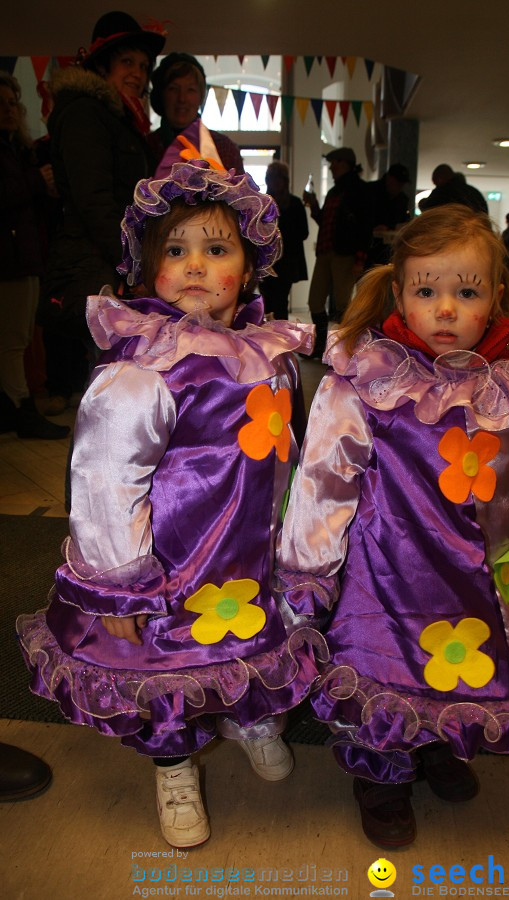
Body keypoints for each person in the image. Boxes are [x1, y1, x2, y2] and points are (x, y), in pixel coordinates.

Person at [17, 157, 325, 849]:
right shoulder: (144, 364)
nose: (194, 266)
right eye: (175, 251)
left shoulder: (269, 352)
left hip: (244, 556)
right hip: (166, 567)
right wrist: (119, 589)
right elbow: (103, 481)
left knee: (246, 642)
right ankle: (174, 764)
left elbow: (290, 456)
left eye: (216, 250)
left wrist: (294, 548)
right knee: (163, 672)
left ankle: (246, 718)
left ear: (248, 269)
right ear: (147, 270)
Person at [275, 204, 509, 848]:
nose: (446, 309)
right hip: (388, 576)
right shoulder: (368, 380)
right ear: (400, 294)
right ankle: (383, 775)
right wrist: (307, 571)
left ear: (496, 297)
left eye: (467, 292)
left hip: (479, 575)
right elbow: (324, 478)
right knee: (390, 673)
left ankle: (439, 740)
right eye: (427, 291)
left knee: (464, 665)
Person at [38, 11, 165, 414]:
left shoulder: (120, 119)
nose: (138, 74)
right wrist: (134, 266)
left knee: (114, 390)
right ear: (102, 64)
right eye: (127, 62)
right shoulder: (85, 114)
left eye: (143, 66)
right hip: (94, 269)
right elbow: (94, 202)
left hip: (108, 265)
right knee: (104, 394)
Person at [0, 71, 69, 440]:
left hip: (23, 258)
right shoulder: (14, 157)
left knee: (18, 338)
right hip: (10, 262)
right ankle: (20, 407)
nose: (8, 111)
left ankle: (13, 405)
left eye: (12, 104)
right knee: (13, 340)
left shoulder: (18, 150)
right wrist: (36, 182)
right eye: (0, 105)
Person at [303, 147, 373, 358]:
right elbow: (325, 221)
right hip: (326, 252)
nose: (331, 167)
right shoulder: (335, 191)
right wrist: (314, 206)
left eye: (334, 162)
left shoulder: (359, 190)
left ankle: (344, 348)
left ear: (345, 163)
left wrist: (360, 257)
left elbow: (365, 226)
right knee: (315, 300)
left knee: (343, 304)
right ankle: (322, 345)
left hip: (345, 253)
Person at [149, 53, 244, 178]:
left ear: (201, 97)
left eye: (191, 90)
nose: (182, 98)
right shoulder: (147, 147)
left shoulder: (224, 148)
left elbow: (241, 195)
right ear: (161, 95)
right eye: (173, 89)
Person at [261, 160, 309, 319]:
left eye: (278, 178)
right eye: (271, 178)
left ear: (285, 181)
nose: (274, 182)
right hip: (266, 260)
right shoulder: (262, 203)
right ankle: (268, 337)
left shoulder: (294, 204)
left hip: (286, 261)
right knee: (266, 301)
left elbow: (303, 232)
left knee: (280, 301)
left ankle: (281, 338)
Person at [365, 163, 411, 268]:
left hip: (389, 248)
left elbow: (403, 220)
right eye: (398, 183)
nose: (399, 187)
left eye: (401, 184)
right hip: (367, 248)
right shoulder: (370, 192)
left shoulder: (402, 199)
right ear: (389, 178)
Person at [419, 163, 488, 214]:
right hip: (477, 229)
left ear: (440, 179)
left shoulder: (443, 191)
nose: (435, 185)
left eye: (435, 182)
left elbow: (427, 208)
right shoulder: (473, 192)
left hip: (454, 231)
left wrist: (421, 202)